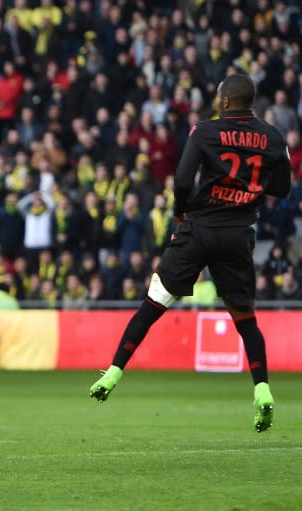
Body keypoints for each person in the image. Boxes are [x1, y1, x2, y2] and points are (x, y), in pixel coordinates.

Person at [89, 74, 291, 433]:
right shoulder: (274, 137)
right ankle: (262, 388)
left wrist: (182, 212)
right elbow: (283, 188)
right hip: (238, 234)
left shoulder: (205, 131)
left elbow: (183, 180)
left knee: (153, 304)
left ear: (226, 101)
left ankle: (114, 372)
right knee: (246, 320)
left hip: (198, 229)